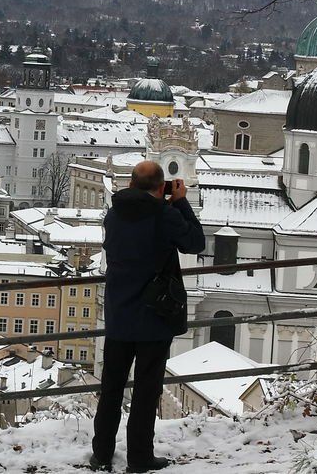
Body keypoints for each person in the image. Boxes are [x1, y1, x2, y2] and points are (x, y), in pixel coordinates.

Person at [90, 161, 205, 473]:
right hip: (154, 315)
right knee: (146, 391)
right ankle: (139, 458)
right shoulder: (164, 214)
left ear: (131, 183)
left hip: (118, 313)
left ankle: (101, 454)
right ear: (160, 186)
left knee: (111, 388)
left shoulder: (114, 214)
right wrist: (180, 203)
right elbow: (195, 242)